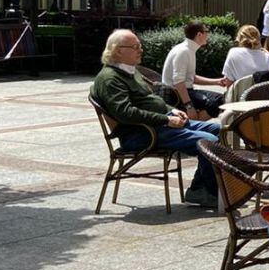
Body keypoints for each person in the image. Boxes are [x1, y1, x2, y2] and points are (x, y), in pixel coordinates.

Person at [91, 29, 221, 208]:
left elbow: (151, 100)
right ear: (117, 50)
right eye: (135, 47)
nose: (140, 50)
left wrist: (172, 111)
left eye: (140, 46)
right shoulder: (110, 79)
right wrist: (166, 120)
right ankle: (207, 191)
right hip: (141, 133)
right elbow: (125, 113)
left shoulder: (131, 71)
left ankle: (199, 188)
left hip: (158, 124)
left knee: (219, 130)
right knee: (210, 141)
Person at [161, 21, 230, 119]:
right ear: (199, 34)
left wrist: (217, 82)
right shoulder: (183, 51)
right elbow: (178, 82)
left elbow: (192, 78)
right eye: (206, 31)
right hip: (174, 94)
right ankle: (193, 123)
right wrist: (189, 106)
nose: (208, 34)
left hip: (183, 90)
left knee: (220, 100)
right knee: (217, 101)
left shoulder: (189, 49)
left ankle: (194, 123)